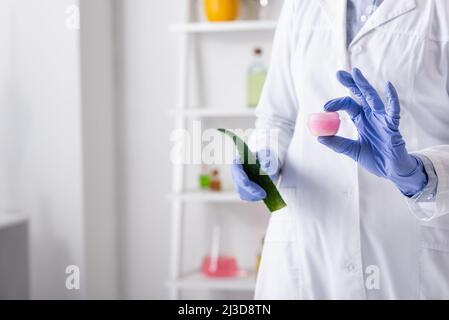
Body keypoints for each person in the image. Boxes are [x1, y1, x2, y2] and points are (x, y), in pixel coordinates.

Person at [232, 0, 449, 299]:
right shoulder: (300, 6)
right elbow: (277, 115)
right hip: (306, 245)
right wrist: (260, 157)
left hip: (409, 256)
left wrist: (420, 175)